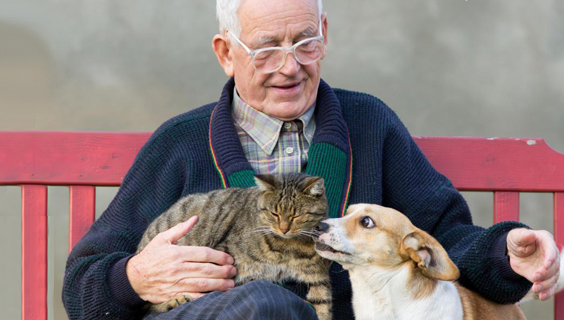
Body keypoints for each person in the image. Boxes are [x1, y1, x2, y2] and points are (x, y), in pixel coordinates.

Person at [62, 0, 560, 319]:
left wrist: (505, 251)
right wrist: (134, 277)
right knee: (264, 306)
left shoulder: (370, 124)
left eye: (304, 42)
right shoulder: (180, 143)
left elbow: (439, 238)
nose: (290, 66)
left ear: (325, 32)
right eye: (266, 49)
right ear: (225, 54)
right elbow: (82, 283)